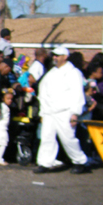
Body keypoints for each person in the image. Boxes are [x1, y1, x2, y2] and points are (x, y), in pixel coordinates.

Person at [34, 46, 89, 174]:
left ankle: (79, 161)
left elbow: (77, 94)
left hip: (65, 112)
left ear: (65, 57)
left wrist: (75, 113)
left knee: (68, 138)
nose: (55, 58)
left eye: (58, 56)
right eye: (54, 55)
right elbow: (43, 92)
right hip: (50, 112)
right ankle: (44, 162)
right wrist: (43, 112)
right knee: (47, 137)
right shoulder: (51, 73)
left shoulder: (73, 73)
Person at [0, 88, 14, 165]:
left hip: (2, 128)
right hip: (1, 128)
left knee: (0, 144)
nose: (10, 100)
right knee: (3, 143)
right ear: (3, 98)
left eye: (11, 99)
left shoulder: (5, 107)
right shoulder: (2, 106)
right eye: (8, 99)